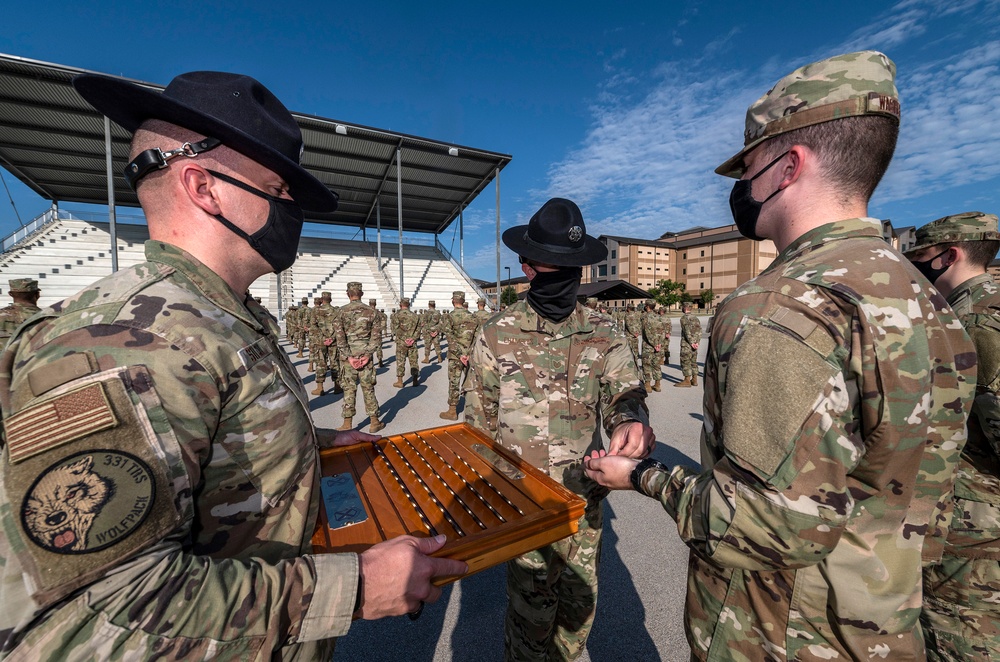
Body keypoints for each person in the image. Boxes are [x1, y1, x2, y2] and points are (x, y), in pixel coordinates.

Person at [0, 70, 466, 660]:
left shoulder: (216, 314)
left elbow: (201, 437)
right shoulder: (132, 339)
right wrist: (355, 587)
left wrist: (307, 441)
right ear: (203, 187)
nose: (292, 206)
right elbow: (86, 615)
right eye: (278, 187)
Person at [584, 51, 976, 660]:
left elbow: (756, 526)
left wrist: (641, 476)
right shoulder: (922, 296)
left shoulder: (779, 304)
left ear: (788, 166)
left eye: (748, 168)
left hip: (779, 631)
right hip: (878, 621)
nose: (741, 188)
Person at [464, 197, 654, 661]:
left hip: (582, 499)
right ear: (528, 268)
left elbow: (623, 392)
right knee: (530, 618)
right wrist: (484, 500)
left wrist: (631, 420)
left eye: (575, 267)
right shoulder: (496, 332)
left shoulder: (605, 331)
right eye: (558, 266)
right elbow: (477, 423)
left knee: (577, 612)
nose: (568, 277)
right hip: (522, 503)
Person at [905, 211, 1000, 660]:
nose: (914, 268)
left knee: (961, 642)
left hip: (972, 534)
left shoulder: (976, 321)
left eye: (920, 258)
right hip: (970, 525)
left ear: (949, 256)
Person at [332, 282, 383, 432]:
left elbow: (340, 338)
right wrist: (367, 354)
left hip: (348, 359)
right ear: (361, 293)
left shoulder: (340, 312)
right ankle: (374, 422)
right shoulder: (372, 312)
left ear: (348, 294)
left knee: (348, 389)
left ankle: (347, 423)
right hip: (365, 357)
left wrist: (349, 356)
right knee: (368, 389)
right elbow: (376, 337)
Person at [438, 290, 480, 420]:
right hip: (470, 355)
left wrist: (460, 354)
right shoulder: (473, 317)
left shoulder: (449, 317)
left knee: (454, 382)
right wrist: (468, 354)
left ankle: (452, 411)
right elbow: (477, 338)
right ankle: (473, 410)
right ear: (463, 301)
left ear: (453, 301)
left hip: (455, 356)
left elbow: (450, 338)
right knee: (471, 382)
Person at [311, 291, 339, 396]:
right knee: (335, 362)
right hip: (333, 341)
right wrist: (331, 338)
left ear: (322, 300)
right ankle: (337, 386)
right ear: (330, 300)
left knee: (320, 363)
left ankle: (320, 388)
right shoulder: (336, 311)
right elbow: (339, 327)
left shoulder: (316, 311)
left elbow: (313, 326)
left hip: (320, 342)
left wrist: (323, 339)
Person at [391, 297, 422, 388]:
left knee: (400, 361)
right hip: (412, 342)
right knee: (414, 361)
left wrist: (404, 339)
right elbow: (418, 329)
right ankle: (415, 380)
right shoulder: (415, 316)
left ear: (401, 304)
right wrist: (412, 339)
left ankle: (400, 381)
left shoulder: (396, 315)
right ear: (408, 305)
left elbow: (394, 329)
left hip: (401, 342)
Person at [640, 299, 668, 391]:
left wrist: (655, 344)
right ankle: (657, 384)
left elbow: (647, 333)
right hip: (658, 346)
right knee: (656, 365)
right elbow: (663, 332)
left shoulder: (645, 317)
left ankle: (648, 385)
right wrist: (659, 344)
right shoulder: (658, 317)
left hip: (648, 345)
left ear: (647, 306)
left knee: (647, 365)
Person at [675, 301, 701, 387]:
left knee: (685, 361)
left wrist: (691, 342)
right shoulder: (696, 318)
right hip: (695, 345)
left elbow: (687, 331)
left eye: (682, 307)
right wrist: (697, 342)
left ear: (685, 308)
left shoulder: (684, 318)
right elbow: (699, 331)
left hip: (687, 344)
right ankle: (694, 379)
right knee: (693, 362)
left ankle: (687, 381)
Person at [368, 298, 387, 368]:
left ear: (369, 304)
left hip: (368, 333)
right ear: (375, 304)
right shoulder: (379, 313)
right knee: (379, 347)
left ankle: (370, 363)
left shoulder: (366, 312)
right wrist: (379, 329)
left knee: (369, 348)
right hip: (377, 333)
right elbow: (383, 322)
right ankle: (380, 360)